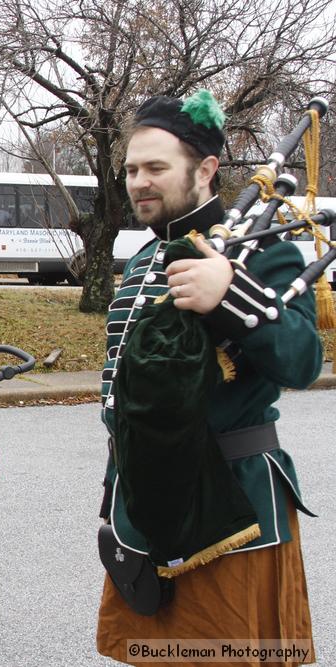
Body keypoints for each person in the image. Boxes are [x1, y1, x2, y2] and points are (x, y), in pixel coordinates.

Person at [95, 91, 320, 663]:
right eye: (131, 169)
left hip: (233, 512)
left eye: (156, 168)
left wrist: (229, 295)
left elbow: (303, 361)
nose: (139, 181)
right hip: (142, 507)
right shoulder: (145, 260)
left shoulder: (264, 247)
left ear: (207, 169)